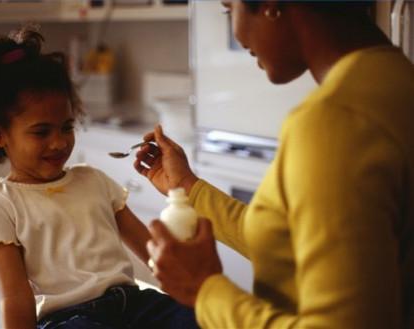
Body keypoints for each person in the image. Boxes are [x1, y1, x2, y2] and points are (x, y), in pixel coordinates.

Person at [134, 1, 414, 328]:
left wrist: (203, 290)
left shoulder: (334, 121)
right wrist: (187, 188)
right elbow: (289, 241)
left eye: (229, 10)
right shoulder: (397, 80)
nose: (236, 34)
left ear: (271, 6)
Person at [0, 26, 198, 329]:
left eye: (66, 127)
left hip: (133, 304)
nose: (59, 142)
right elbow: (15, 297)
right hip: (68, 320)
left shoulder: (95, 181)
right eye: (41, 132)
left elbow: (153, 253)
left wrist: (192, 295)